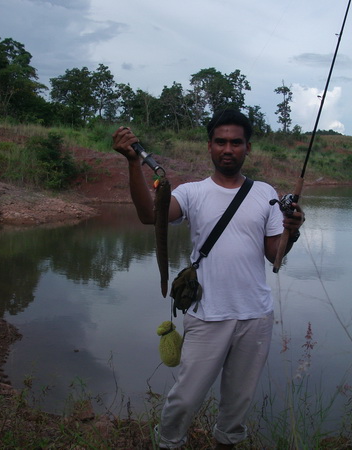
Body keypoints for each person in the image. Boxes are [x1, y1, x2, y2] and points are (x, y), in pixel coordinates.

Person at [112, 109, 304, 449]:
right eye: (220, 142)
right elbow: (147, 216)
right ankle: (168, 442)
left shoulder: (265, 193)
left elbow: (273, 252)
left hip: (256, 316)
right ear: (209, 146)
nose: (227, 149)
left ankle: (226, 442)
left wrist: (293, 230)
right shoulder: (191, 193)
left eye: (236, 142)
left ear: (248, 148)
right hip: (206, 314)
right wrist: (132, 163)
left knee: (237, 404)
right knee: (184, 398)